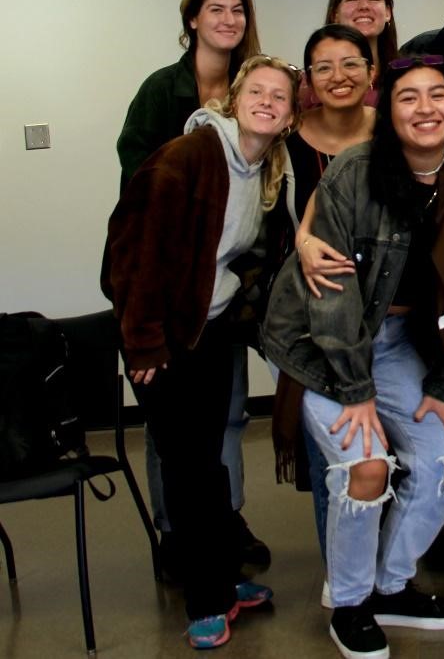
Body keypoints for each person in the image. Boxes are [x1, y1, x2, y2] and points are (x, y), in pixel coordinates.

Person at [262, 55, 444, 659]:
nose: (425, 109)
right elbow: (333, 293)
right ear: (386, 113)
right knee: (367, 468)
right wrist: (355, 390)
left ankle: (390, 586)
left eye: (437, 97)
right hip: (322, 344)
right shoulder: (354, 173)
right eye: (407, 99)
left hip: (403, 346)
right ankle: (349, 602)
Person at [104, 55, 300, 649]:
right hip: (162, 337)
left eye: (280, 97)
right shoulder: (191, 156)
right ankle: (204, 599)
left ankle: (223, 576)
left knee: (209, 463)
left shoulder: (262, 168)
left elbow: (231, 255)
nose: (267, 101)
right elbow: (136, 255)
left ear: (291, 117)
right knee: (188, 471)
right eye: (258, 91)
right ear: (234, 99)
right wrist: (142, 342)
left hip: (210, 330)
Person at [115, 0, 270, 581]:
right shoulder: (163, 90)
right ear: (192, 19)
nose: (228, 19)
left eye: (237, 9)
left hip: (223, 294)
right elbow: (141, 185)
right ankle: (177, 531)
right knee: (171, 430)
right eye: (216, 9)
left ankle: (223, 520)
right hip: (168, 286)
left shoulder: (251, 89)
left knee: (227, 413)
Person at [281, 24, 377, 572]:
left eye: (349, 63)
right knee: (334, 452)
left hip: (388, 313)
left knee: (385, 447)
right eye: (323, 67)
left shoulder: (394, 128)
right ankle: (342, 568)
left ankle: (383, 565)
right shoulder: (287, 138)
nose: (338, 76)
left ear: (370, 71)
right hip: (311, 311)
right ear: (309, 80)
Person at [312, 0, 399, 108]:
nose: (364, 6)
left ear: (388, 13)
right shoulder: (311, 87)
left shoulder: (404, 79)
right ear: (335, 14)